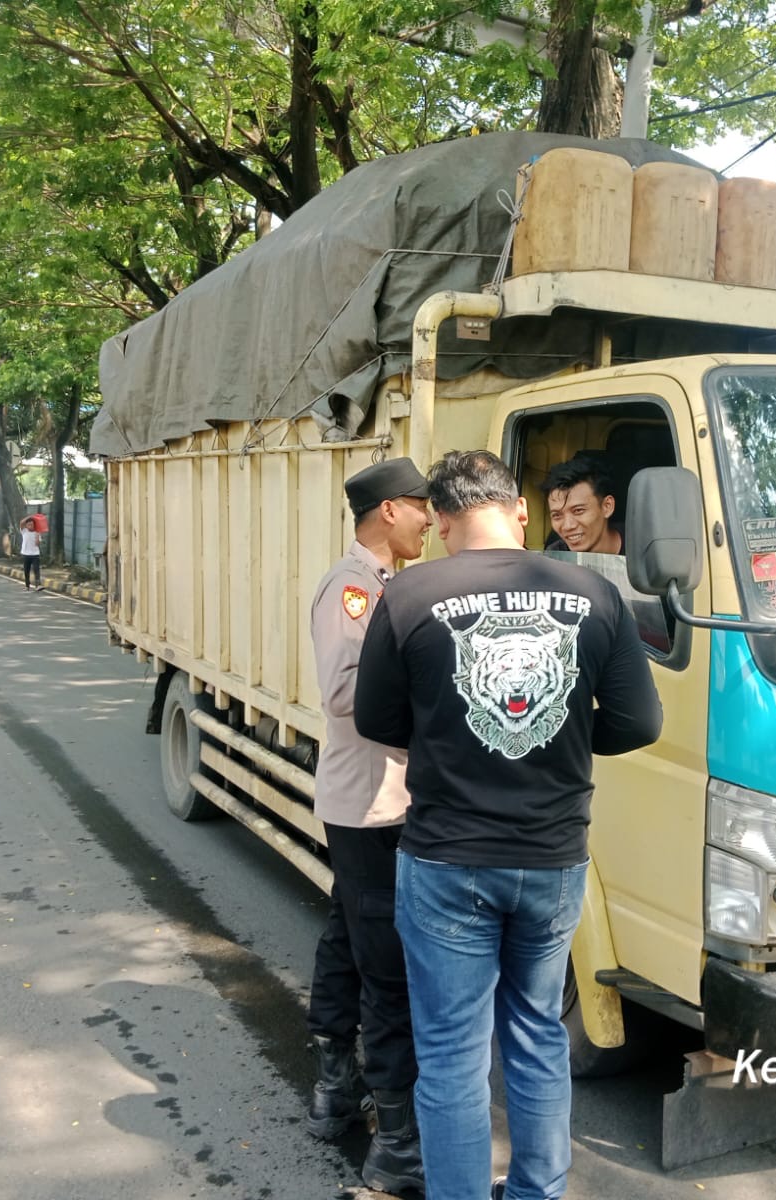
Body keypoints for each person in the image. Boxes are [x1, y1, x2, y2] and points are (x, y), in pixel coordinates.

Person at [354, 450, 662, 1200]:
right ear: (520, 509)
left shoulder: (408, 594)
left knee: (452, 1056)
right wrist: (566, 734)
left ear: (444, 519)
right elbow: (640, 721)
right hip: (553, 859)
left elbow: (375, 720)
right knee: (537, 1035)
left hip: (447, 858)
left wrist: (448, 736)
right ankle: (536, 1192)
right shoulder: (593, 592)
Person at [305, 457, 433, 1195]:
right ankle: (396, 1139)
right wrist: (436, 707)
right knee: (386, 963)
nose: (428, 520)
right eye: (419, 507)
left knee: (347, 934)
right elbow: (346, 695)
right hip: (370, 802)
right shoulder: (353, 588)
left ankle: (334, 1086)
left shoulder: (386, 584)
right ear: (389, 510)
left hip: (381, 798)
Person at [542, 452, 623, 555]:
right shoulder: (556, 556)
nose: (568, 526)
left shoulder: (639, 544)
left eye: (578, 510)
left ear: (607, 506)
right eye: (557, 515)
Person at [18, 515, 42, 590]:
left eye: (32, 524)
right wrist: (31, 516)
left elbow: (37, 544)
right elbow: (21, 522)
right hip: (26, 554)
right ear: (26, 525)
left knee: (36, 570)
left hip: (35, 554)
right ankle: (27, 585)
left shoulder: (37, 532)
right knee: (26, 570)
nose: (30, 526)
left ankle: (38, 585)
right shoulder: (24, 531)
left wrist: (37, 537)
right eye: (29, 525)